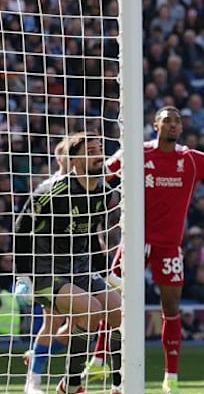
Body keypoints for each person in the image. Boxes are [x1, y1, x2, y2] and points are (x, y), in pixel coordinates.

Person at [105, 106, 204, 394]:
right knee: (113, 301)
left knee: (171, 307)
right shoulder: (135, 152)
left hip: (169, 246)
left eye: (177, 121)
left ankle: (171, 377)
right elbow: (103, 176)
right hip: (134, 241)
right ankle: (100, 360)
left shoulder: (191, 159)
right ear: (155, 125)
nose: (173, 125)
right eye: (167, 120)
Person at [14, 132, 123, 394]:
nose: (99, 155)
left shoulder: (103, 194)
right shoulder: (52, 191)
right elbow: (20, 229)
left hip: (81, 270)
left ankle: (120, 383)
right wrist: (23, 277)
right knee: (88, 312)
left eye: (100, 150)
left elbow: (91, 236)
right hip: (47, 271)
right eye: (91, 151)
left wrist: (106, 273)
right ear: (74, 160)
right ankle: (68, 384)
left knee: (120, 313)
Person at [18, 138, 73, 394]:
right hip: (49, 266)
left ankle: (37, 355)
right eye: (71, 157)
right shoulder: (47, 189)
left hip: (76, 263)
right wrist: (25, 275)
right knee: (53, 321)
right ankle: (34, 380)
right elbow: (24, 229)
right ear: (60, 159)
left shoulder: (84, 188)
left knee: (80, 325)